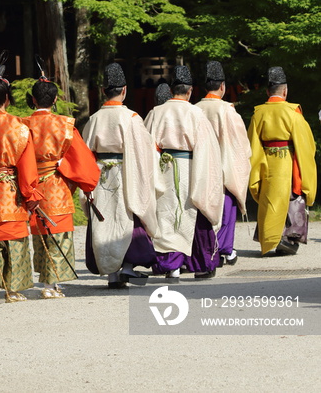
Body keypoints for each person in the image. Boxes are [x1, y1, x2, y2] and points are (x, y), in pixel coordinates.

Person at [22, 75, 100, 298]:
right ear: (55, 99)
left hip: (32, 183)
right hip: (56, 184)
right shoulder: (65, 125)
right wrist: (69, 170)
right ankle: (51, 284)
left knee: (40, 234)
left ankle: (45, 280)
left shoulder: (22, 125)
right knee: (58, 232)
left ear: (33, 100)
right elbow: (82, 160)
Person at [82, 63, 158, 289]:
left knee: (104, 220)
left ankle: (111, 274)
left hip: (100, 172)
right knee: (128, 216)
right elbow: (144, 152)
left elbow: (86, 151)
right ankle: (126, 266)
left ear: (104, 90)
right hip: (127, 172)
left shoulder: (94, 118)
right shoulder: (132, 117)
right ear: (124, 90)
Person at [144, 65, 223, 281]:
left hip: (163, 167)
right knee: (195, 212)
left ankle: (171, 265)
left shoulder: (155, 112)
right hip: (191, 168)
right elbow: (208, 151)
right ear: (190, 91)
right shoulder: (196, 113)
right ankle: (200, 264)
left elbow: (145, 145)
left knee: (166, 214)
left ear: (171, 90)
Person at [0, 65, 43, 302]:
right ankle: (12, 289)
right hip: (10, 190)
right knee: (13, 238)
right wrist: (30, 193)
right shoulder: (19, 126)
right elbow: (26, 166)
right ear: (7, 98)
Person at [248, 66, 316, 255]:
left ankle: (269, 237)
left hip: (266, 161)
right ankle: (287, 238)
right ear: (285, 91)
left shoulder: (258, 113)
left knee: (268, 199)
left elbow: (252, 146)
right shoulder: (293, 112)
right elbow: (306, 145)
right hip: (288, 160)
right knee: (291, 198)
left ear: (267, 91)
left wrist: (257, 168)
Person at [195, 61, 251, 266]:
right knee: (226, 207)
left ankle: (207, 248)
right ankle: (225, 248)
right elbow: (240, 144)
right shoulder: (227, 110)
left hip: (200, 167)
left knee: (203, 210)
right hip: (222, 165)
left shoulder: (194, 108)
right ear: (222, 87)